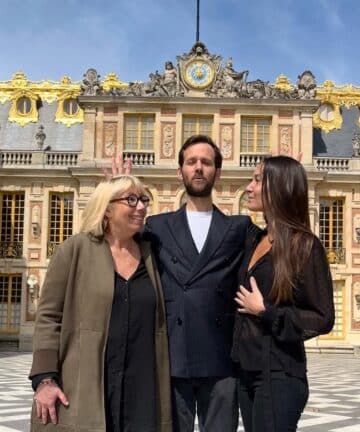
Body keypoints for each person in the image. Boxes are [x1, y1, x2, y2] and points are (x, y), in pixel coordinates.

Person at [109, 135, 251, 432]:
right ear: (180, 172)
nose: (198, 168)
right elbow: (113, 240)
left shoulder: (238, 228)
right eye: (191, 162)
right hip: (171, 357)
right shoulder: (156, 228)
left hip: (221, 359)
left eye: (206, 162)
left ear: (218, 172)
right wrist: (114, 193)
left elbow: (276, 249)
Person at [29, 175, 172, 432]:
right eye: (131, 199)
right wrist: (45, 379)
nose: (141, 207)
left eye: (143, 199)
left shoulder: (153, 255)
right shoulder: (75, 250)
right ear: (107, 208)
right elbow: (48, 317)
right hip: (87, 386)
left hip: (141, 390)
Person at [231, 156, 335, 432]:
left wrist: (267, 311)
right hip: (247, 371)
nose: (249, 187)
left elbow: (322, 318)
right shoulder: (255, 239)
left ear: (279, 186)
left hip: (279, 374)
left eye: (257, 180)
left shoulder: (304, 246)